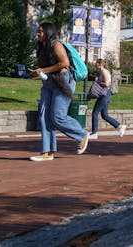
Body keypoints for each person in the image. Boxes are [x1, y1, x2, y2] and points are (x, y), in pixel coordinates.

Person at [29, 22, 89, 162]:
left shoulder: (56, 45)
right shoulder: (42, 47)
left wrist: (43, 70)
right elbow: (46, 66)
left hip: (63, 81)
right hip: (48, 82)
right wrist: (36, 72)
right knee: (44, 116)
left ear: (48, 32)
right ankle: (47, 152)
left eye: (41, 31)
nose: (38, 33)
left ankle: (82, 134)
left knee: (57, 116)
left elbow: (64, 63)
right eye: (38, 31)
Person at [88, 59, 126, 139]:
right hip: (106, 95)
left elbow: (107, 84)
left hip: (104, 95)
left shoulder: (104, 72)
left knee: (95, 113)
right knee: (104, 115)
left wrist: (98, 81)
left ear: (99, 64)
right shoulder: (102, 72)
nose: (95, 65)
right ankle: (120, 126)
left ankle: (94, 133)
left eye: (96, 63)